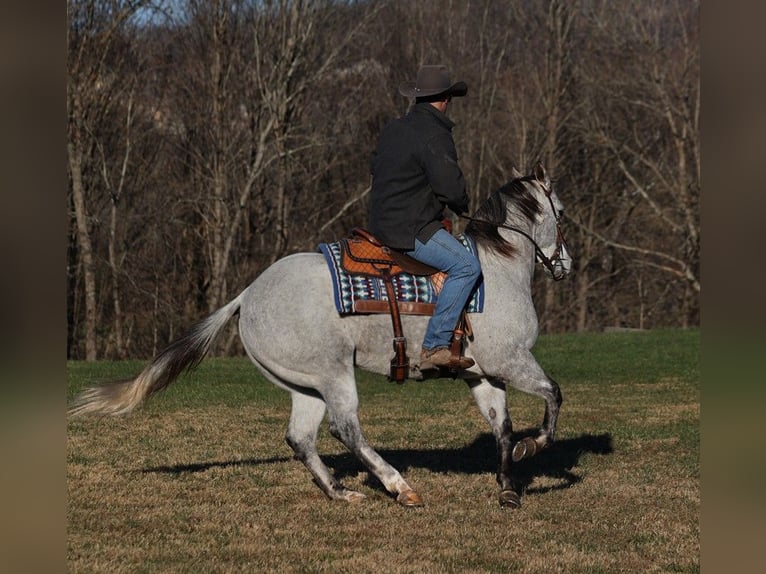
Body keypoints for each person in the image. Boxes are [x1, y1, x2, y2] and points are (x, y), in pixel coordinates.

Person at [369, 65, 481, 371]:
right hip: (411, 229)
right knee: (466, 266)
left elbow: (375, 167)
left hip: (378, 225)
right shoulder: (435, 134)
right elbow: (450, 186)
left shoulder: (394, 128)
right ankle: (435, 347)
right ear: (444, 99)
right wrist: (462, 205)